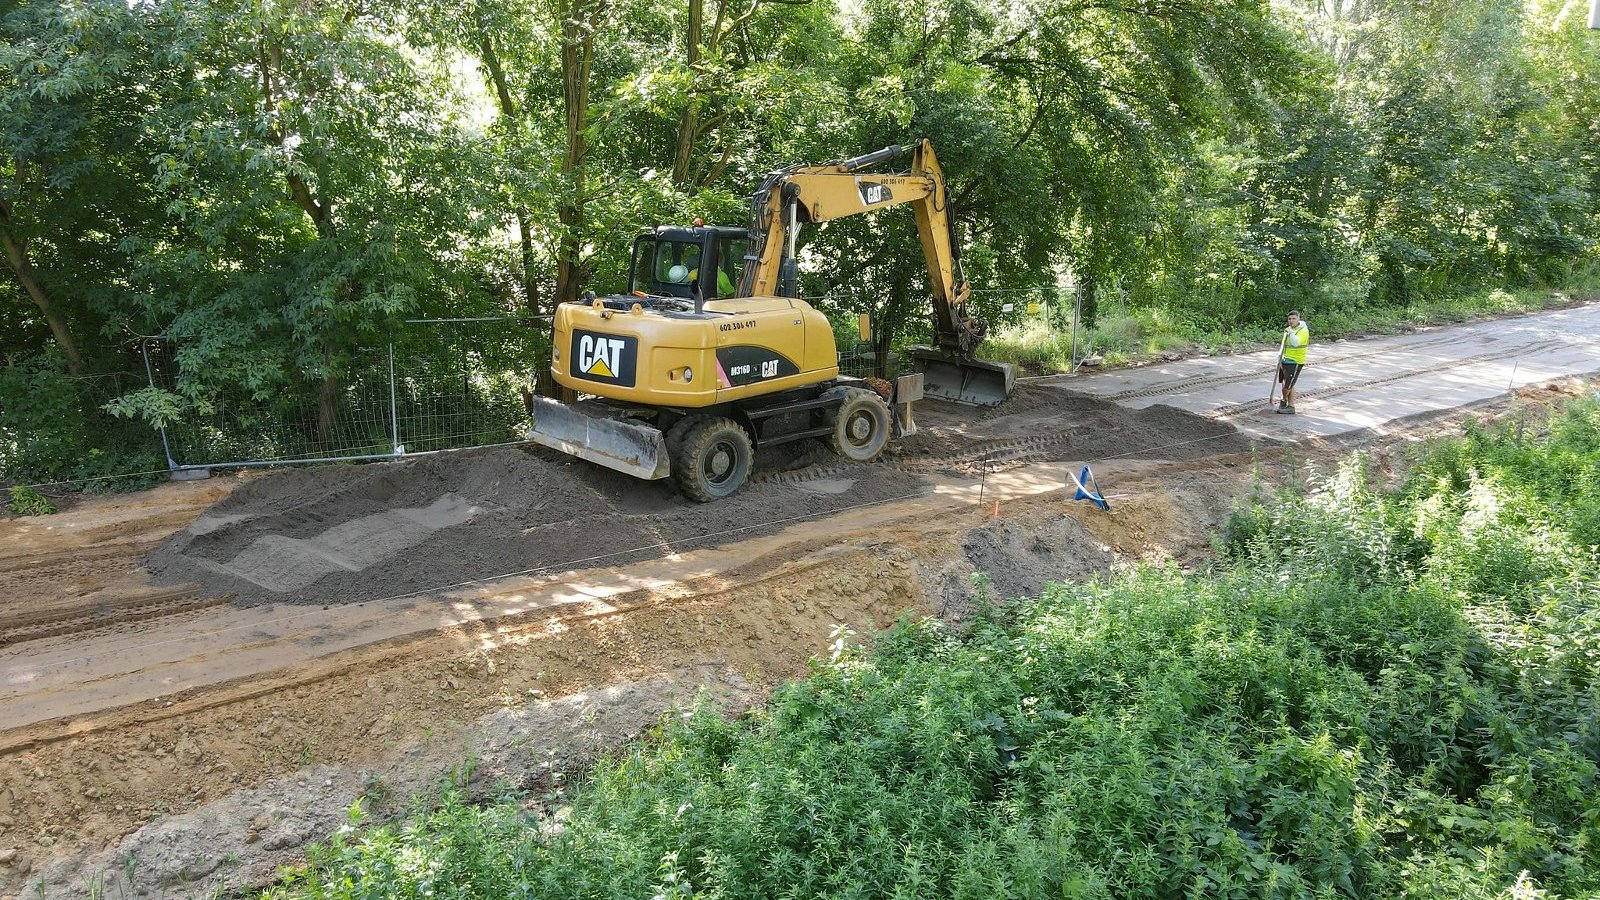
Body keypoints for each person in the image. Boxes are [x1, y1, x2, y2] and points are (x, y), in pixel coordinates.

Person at [1277, 310, 1310, 415]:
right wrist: (1279, 356)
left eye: (1294, 319)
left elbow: (1295, 343)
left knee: (1288, 385)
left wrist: (1290, 332)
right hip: (1285, 359)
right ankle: (1290, 405)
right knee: (1286, 382)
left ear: (1298, 319)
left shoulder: (1303, 331)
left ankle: (1284, 401)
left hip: (1295, 361)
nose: (1291, 321)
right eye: (1289, 319)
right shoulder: (1288, 330)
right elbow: (1284, 344)